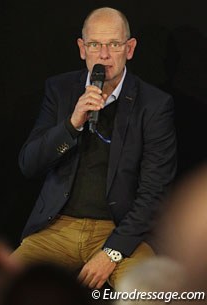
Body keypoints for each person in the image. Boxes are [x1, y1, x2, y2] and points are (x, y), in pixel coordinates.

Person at [12, 7, 177, 290]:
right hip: (57, 227)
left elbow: (155, 192)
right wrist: (72, 124)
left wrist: (111, 252)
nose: (103, 55)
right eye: (95, 45)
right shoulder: (60, 90)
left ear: (130, 48)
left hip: (120, 229)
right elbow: (29, 164)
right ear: (81, 48)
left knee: (147, 295)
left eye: (113, 44)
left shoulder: (153, 104)